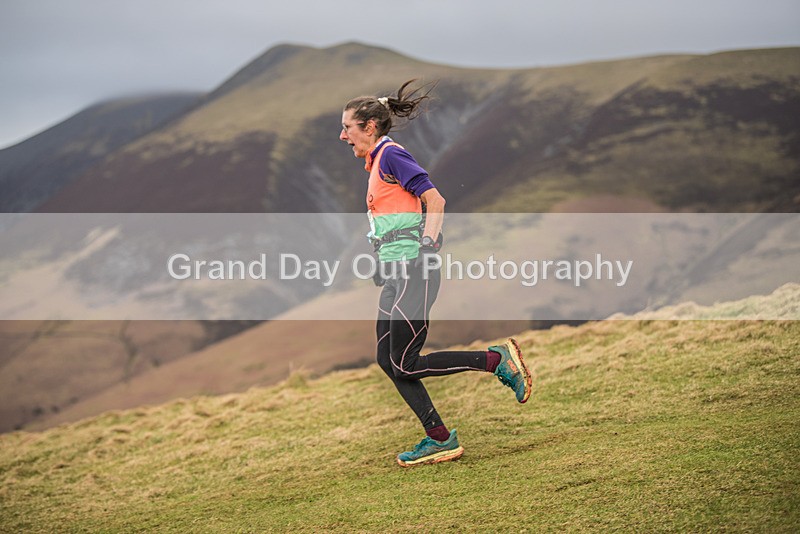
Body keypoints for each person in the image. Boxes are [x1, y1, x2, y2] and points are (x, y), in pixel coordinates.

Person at [339, 79, 532, 467]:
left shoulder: (391, 155)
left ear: (370, 127)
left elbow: (434, 198)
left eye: (348, 127)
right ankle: (439, 438)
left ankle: (496, 361)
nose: (343, 135)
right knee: (386, 358)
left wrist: (428, 245)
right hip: (397, 273)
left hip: (416, 268)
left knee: (405, 362)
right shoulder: (376, 163)